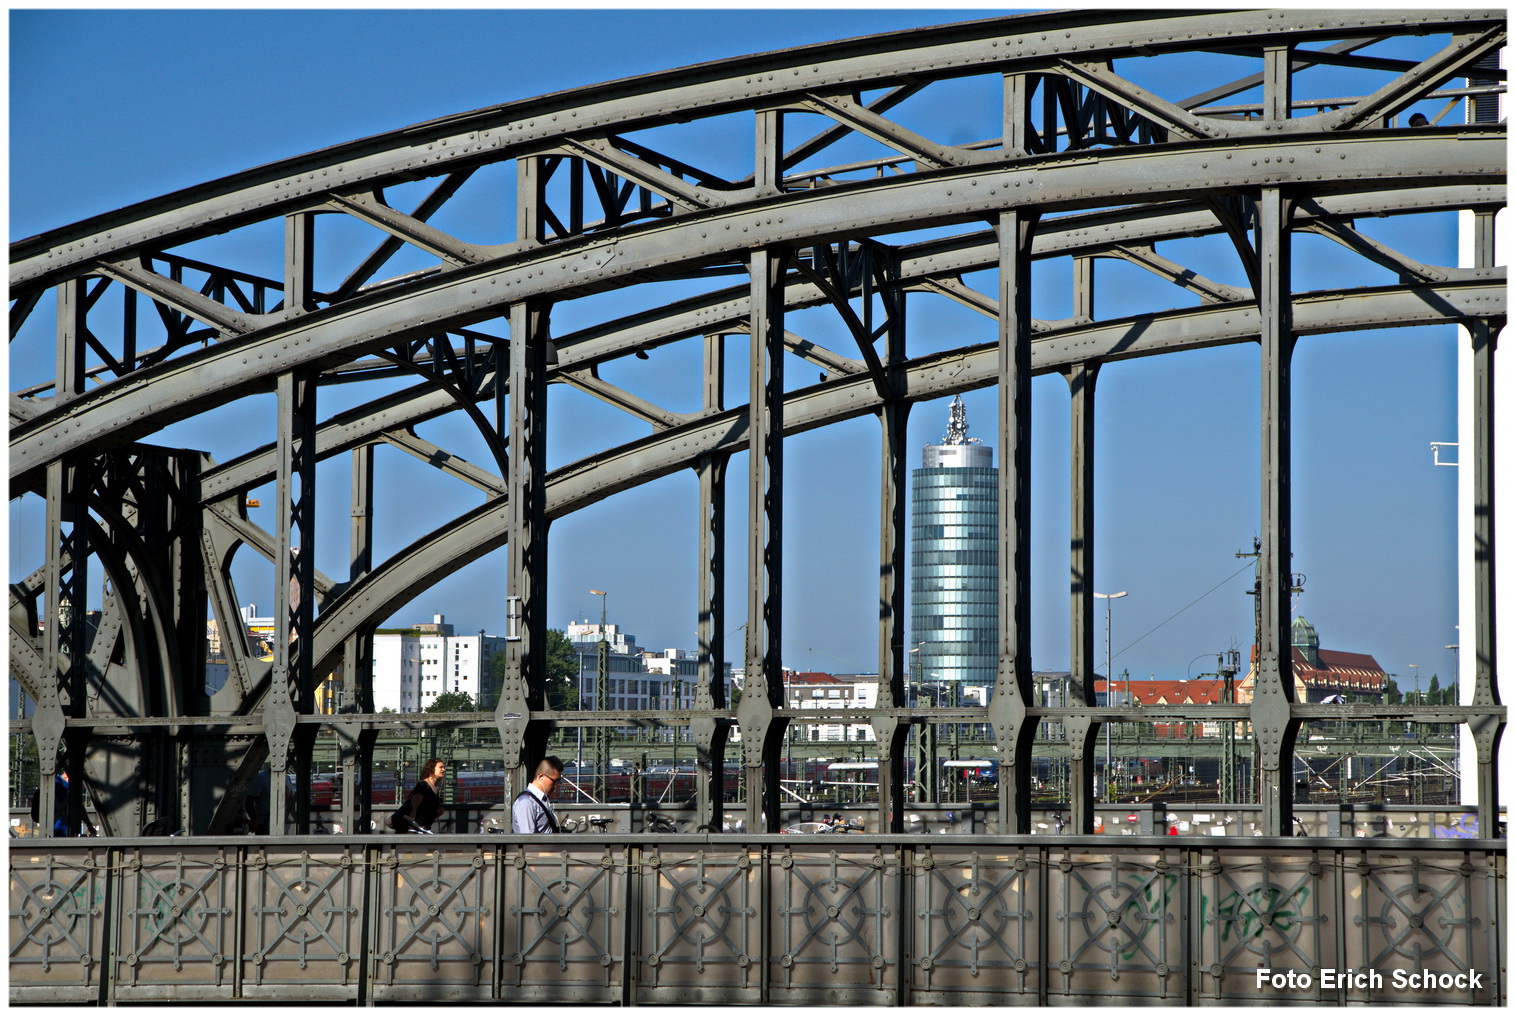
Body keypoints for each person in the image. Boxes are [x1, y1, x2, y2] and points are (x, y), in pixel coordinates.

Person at [512, 756, 564, 834]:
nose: (556, 786)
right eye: (554, 781)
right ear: (541, 777)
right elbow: (528, 839)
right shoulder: (526, 802)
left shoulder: (540, 800)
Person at [395, 758, 445, 833]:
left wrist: (436, 812)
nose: (443, 769)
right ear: (432, 769)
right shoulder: (423, 785)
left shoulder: (435, 788)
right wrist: (412, 822)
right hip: (415, 829)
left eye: (443, 767)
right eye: (440, 767)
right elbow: (414, 805)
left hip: (424, 827)